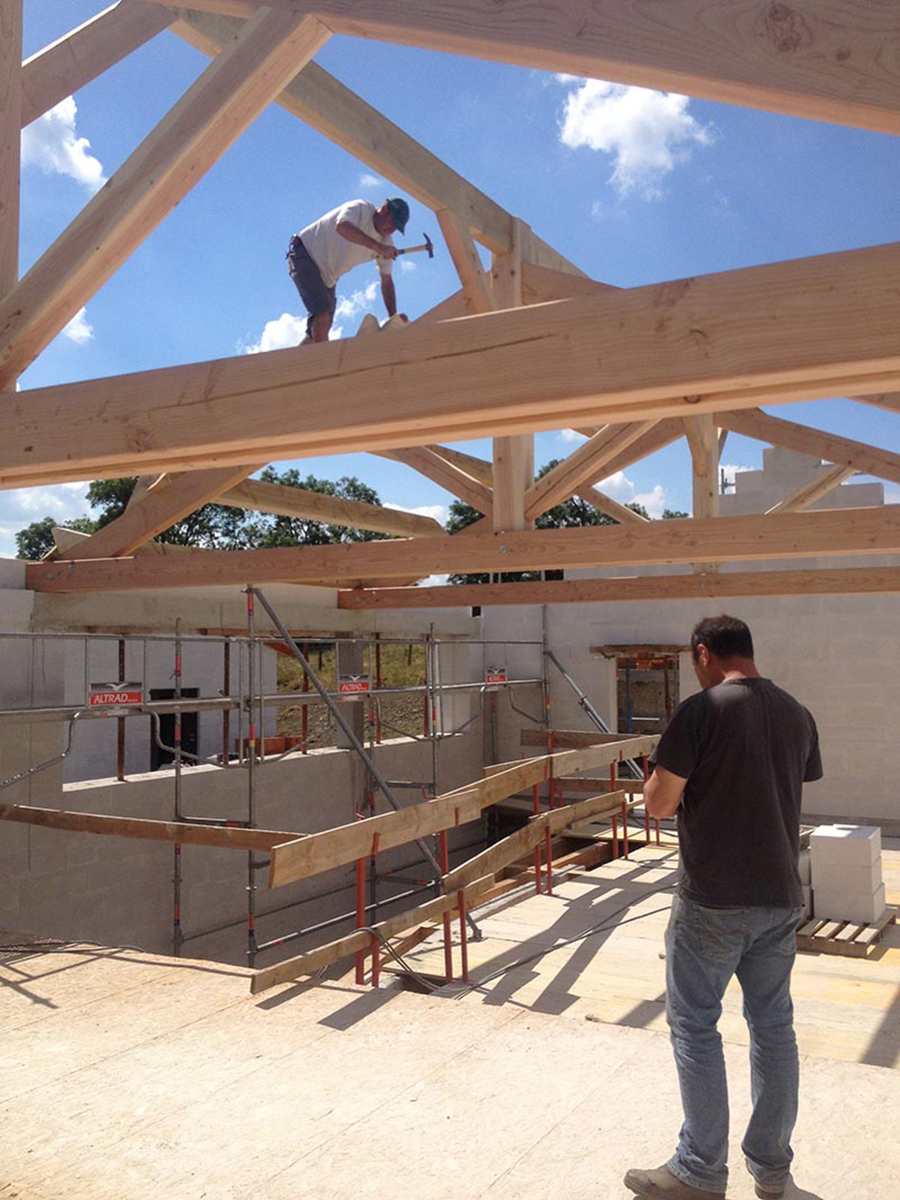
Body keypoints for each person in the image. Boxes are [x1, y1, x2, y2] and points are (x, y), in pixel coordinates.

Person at [625, 615, 822, 1200]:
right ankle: (773, 1175)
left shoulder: (702, 710)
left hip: (712, 899)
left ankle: (700, 1171)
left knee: (695, 1029)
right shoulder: (796, 713)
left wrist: (651, 782)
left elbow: (660, 805)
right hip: (780, 897)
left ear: (705, 654)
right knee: (773, 1029)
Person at [287, 197, 410, 343]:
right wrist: (379, 248)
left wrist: (393, 321)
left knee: (319, 330)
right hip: (305, 253)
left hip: (328, 277)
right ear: (383, 210)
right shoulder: (360, 209)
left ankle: (294, 364)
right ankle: (325, 364)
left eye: (396, 228)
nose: (391, 230)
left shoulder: (386, 241)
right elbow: (342, 226)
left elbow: (387, 281)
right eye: (391, 222)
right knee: (322, 316)